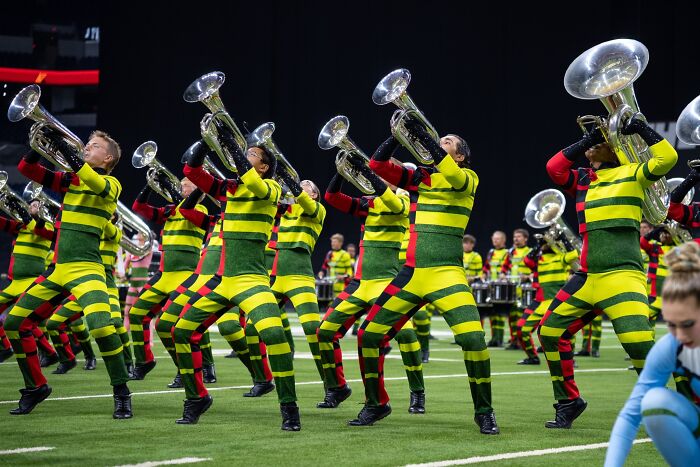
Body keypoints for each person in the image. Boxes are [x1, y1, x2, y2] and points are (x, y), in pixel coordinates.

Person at [354, 122, 499, 434]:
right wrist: (395, 136)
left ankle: (484, 411)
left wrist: (424, 138)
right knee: (368, 335)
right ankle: (376, 403)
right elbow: (377, 166)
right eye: (440, 139)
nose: (439, 142)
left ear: (459, 157)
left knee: (473, 339)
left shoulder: (467, 178)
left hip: (447, 273)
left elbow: (455, 176)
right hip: (411, 274)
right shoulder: (420, 179)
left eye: (447, 142)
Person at [539, 116, 678, 428]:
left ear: (616, 149)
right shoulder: (584, 180)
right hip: (587, 276)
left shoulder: (633, 173)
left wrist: (640, 129)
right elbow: (554, 168)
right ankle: (569, 401)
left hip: (621, 274)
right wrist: (587, 140)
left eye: (601, 142)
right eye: (593, 142)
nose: (593, 147)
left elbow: (668, 157)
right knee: (549, 332)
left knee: (639, 343)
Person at [176, 125, 300, 430]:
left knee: (274, 336)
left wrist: (229, 142)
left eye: (253, 153)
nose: (246, 154)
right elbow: (191, 169)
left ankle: (289, 406)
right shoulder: (228, 188)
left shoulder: (271, 189)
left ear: (265, 166)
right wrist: (207, 140)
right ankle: (196, 398)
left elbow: (250, 179)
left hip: (252, 279)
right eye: (246, 151)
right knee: (181, 331)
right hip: (223, 280)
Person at [5, 130, 132, 418]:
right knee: (15, 323)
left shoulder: (111, 184)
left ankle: (121, 391)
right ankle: (35, 387)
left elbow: (91, 178)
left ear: (108, 157)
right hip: (58, 270)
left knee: (101, 327)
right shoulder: (72, 180)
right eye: (87, 144)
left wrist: (66, 149)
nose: (87, 147)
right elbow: (27, 169)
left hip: (88, 269)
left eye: (95, 146)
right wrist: (40, 144)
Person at [317, 159, 424, 413]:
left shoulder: (402, 201)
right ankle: (337, 387)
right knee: (325, 332)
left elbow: (391, 200)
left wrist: (371, 174)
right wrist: (341, 172)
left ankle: (417, 392)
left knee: (407, 335)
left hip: (386, 284)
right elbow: (332, 197)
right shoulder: (369, 204)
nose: (378, 176)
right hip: (359, 284)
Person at [604, 241, 700, 466]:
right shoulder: (672, 346)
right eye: (671, 324)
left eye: (686, 324)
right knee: (654, 401)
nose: (679, 334)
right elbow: (630, 416)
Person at [129, 176, 210, 380]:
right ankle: (144, 361)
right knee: (136, 314)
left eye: (187, 184)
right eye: (180, 183)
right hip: (163, 275)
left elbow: (186, 210)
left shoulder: (200, 211)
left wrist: (169, 188)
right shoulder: (168, 210)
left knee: (174, 326)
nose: (181, 186)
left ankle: (190, 368)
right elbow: (139, 207)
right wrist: (149, 185)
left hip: (186, 275)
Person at [0, 199, 58, 364]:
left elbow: (36, 229)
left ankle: (50, 353)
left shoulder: (48, 227)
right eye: (30, 204)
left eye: (36, 205)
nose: (32, 206)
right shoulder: (21, 227)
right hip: (15, 283)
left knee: (23, 321)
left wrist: (25, 213)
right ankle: (5, 348)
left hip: (32, 281)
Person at [516, 234, 578, 365]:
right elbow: (526, 261)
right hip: (544, 303)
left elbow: (573, 255)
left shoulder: (559, 258)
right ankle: (533, 357)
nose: (545, 245)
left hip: (558, 303)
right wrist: (539, 244)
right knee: (523, 330)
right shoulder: (541, 259)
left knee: (567, 332)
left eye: (546, 243)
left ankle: (569, 359)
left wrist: (562, 239)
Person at [640, 225, 676, 336]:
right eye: (663, 234)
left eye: (667, 233)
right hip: (654, 294)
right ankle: (647, 348)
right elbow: (642, 242)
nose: (664, 236)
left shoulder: (678, 250)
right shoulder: (656, 248)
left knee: (643, 317)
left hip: (670, 295)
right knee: (650, 323)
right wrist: (659, 229)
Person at [501, 228, 532, 349]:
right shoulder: (510, 252)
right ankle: (514, 340)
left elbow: (535, 270)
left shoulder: (530, 252)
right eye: (515, 237)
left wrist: (528, 277)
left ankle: (521, 341)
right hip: (512, 291)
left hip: (525, 290)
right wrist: (503, 275)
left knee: (521, 317)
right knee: (512, 317)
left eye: (519, 236)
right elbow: (504, 269)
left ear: (525, 239)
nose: (516, 239)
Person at [482, 230, 508, 346]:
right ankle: (494, 338)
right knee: (492, 313)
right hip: (491, 286)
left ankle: (499, 338)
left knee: (500, 314)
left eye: (497, 239)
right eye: (494, 238)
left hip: (502, 287)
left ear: (503, 240)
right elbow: (486, 267)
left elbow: (508, 267)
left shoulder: (507, 253)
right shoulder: (491, 252)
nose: (495, 240)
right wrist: (483, 274)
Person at [122, 233, 153, 330]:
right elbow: (126, 262)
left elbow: (140, 252)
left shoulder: (147, 248)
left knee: (146, 312)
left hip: (142, 283)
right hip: (133, 284)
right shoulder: (132, 250)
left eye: (140, 232)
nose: (138, 234)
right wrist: (122, 272)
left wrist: (128, 247)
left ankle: (150, 341)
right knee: (127, 311)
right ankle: (124, 337)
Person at [318, 233, 353, 299]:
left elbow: (350, 272)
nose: (332, 243)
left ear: (340, 243)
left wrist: (343, 276)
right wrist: (321, 272)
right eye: (332, 241)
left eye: (334, 242)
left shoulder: (345, 255)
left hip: (341, 287)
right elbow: (324, 266)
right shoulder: (329, 253)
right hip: (331, 286)